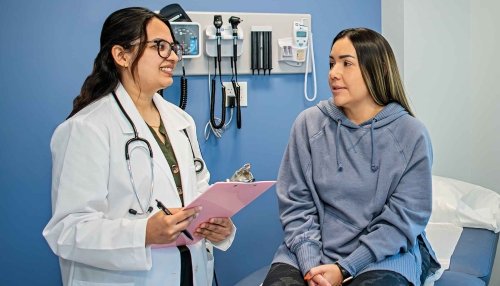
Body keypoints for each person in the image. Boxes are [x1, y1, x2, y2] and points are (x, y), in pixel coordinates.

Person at [43, 7, 235, 286]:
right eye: (159, 46)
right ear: (121, 55)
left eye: (173, 46)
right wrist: (143, 233)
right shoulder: (86, 128)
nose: (173, 56)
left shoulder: (180, 121)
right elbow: (68, 231)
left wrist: (219, 227)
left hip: (189, 271)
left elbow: (198, 191)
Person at [263, 28, 440, 286]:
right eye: (332, 63)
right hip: (309, 253)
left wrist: (345, 268)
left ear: (375, 69)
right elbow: (296, 205)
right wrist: (312, 268)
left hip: (382, 257)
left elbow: (403, 219)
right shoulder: (309, 124)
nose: (333, 73)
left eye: (346, 63)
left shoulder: (411, 135)